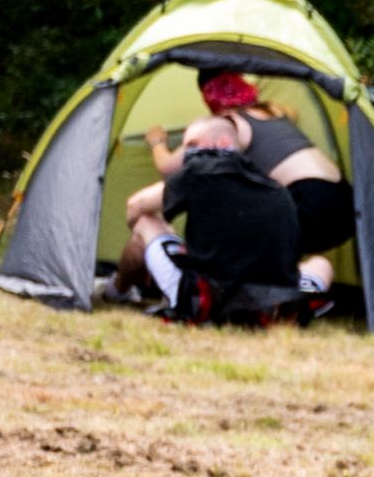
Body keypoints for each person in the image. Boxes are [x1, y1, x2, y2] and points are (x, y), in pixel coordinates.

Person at [141, 69, 356, 261]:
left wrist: (157, 142)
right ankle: (295, 283)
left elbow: (168, 168)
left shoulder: (230, 123)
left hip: (307, 203)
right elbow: (293, 114)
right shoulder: (274, 109)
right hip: (345, 204)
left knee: (235, 220)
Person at [123, 117, 325, 322]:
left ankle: (117, 289)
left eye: (192, 144)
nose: (187, 153)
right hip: (272, 303)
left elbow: (135, 206)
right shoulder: (276, 188)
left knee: (145, 222)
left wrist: (153, 241)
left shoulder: (200, 170)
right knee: (320, 264)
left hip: (210, 302)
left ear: (223, 143)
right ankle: (288, 306)